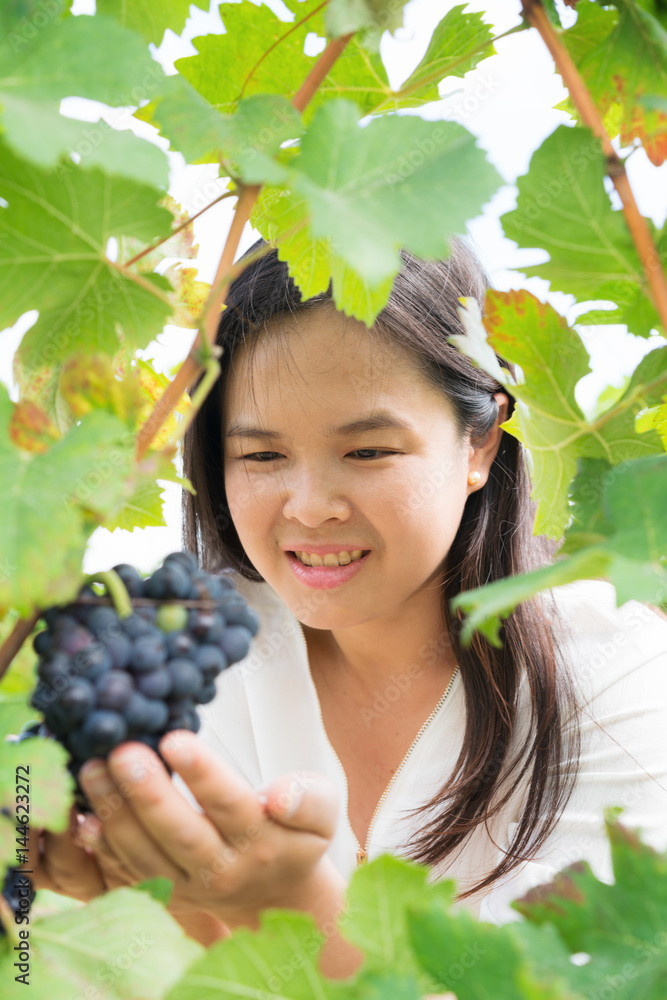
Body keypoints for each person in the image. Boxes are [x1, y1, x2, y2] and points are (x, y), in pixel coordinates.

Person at [29, 238, 667, 980]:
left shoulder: (616, 679)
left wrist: (285, 909)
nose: (310, 508)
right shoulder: (198, 656)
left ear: (481, 442)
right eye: (262, 457)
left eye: (367, 453)